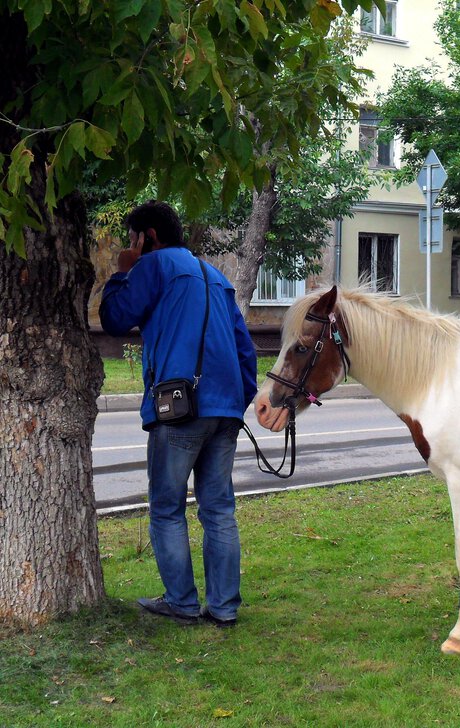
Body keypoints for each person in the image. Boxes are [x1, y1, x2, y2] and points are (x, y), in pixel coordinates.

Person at [99, 200, 257, 628]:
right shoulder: (216, 277)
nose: (130, 245)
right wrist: (234, 403)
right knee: (219, 510)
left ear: (148, 236)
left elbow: (114, 317)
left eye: (133, 238)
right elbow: (245, 351)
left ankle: (182, 603)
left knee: (167, 507)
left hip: (179, 407)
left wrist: (121, 270)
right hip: (224, 410)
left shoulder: (153, 267)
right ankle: (224, 609)